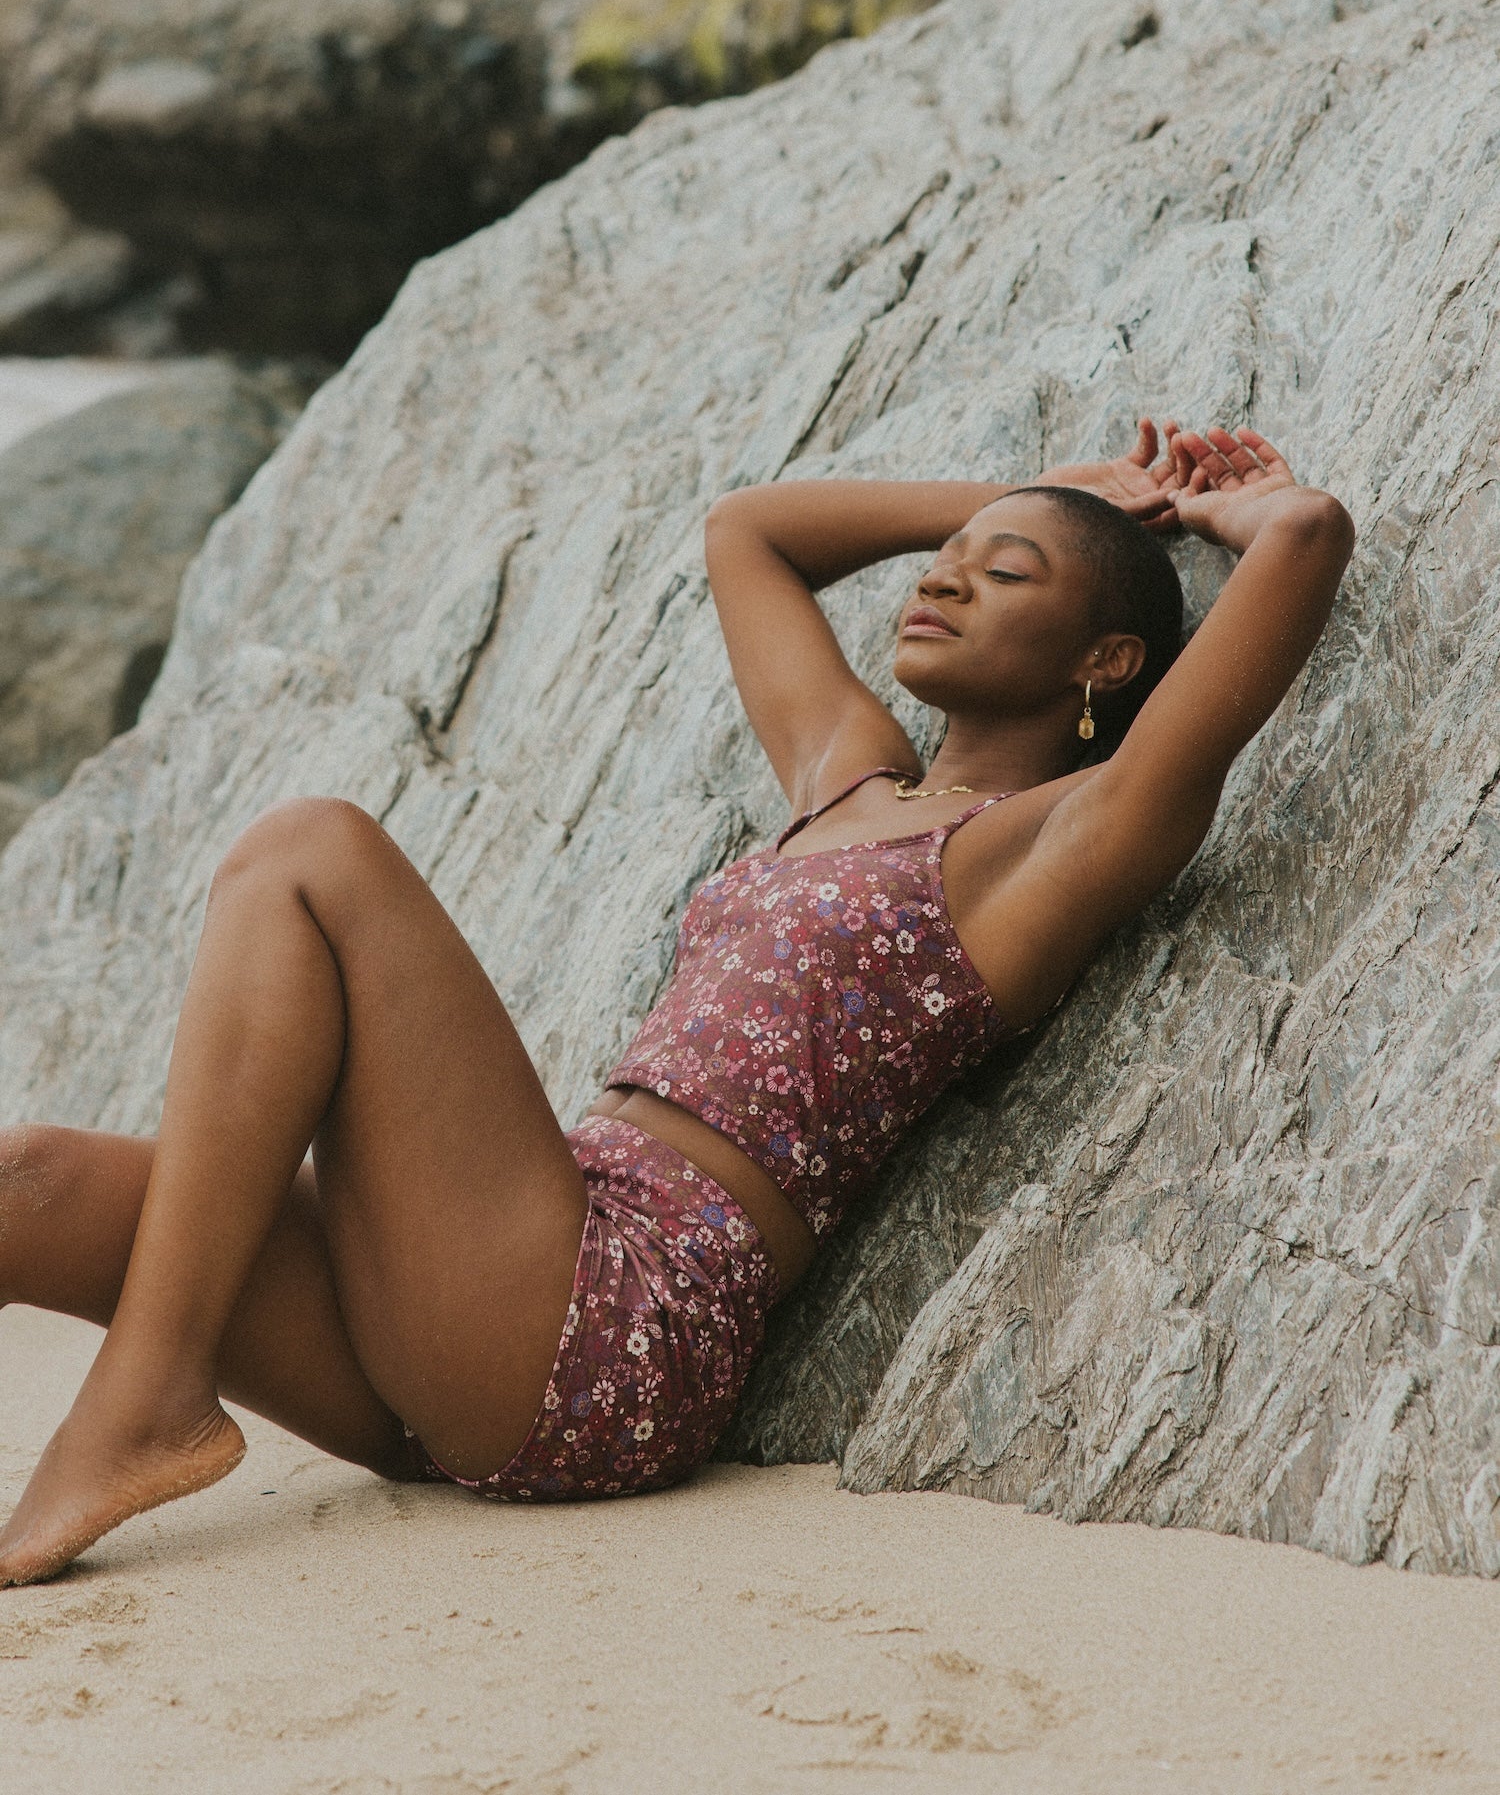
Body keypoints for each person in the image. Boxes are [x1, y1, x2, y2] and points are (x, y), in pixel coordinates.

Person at [0, 418, 1353, 1584]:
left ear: (1106, 662)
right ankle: (153, 1386)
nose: (944, 575)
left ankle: (145, 1394)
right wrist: (1039, 495)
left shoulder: (1045, 852)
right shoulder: (852, 778)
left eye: (1006, 570)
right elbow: (748, 534)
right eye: (954, 557)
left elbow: (1308, 540)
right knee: (28, 1182)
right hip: (476, 1315)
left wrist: (1223, 510)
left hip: (607, 1322)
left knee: (311, 852)